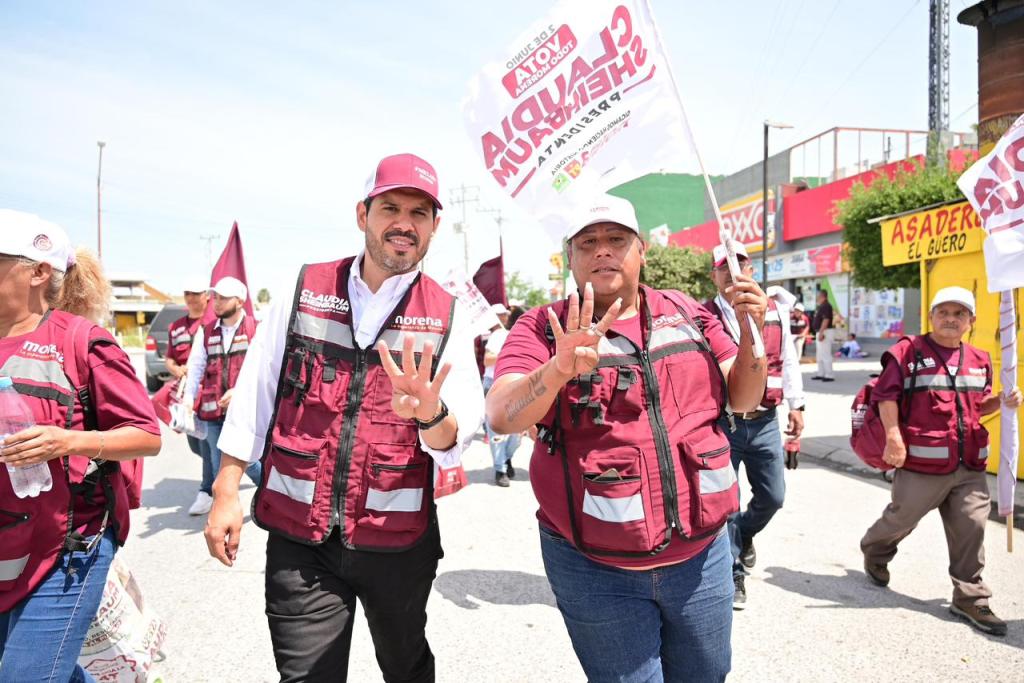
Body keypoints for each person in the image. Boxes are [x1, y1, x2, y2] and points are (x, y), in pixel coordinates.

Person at [204, 153, 483, 682]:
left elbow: (453, 439)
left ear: (434, 227)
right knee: (307, 676)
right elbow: (257, 392)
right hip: (299, 535)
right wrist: (225, 491)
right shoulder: (304, 287)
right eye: (391, 208)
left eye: (420, 213)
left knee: (405, 667)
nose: (404, 223)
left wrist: (430, 414)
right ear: (363, 215)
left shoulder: (449, 313)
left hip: (397, 538)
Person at [486, 195, 767, 682]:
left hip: (702, 557)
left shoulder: (690, 313)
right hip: (593, 567)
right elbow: (502, 415)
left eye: (616, 240)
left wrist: (752, 332)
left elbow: (743, 398)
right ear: (569, 258)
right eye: (587, 243)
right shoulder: (542, 326)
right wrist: (556, 370)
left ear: (642, 253)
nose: (602, 252)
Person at [0, 210, 162, 681]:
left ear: (37, 272)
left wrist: (65, 441)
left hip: (66, 552)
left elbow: (147, 436)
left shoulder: (81, 341)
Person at [860, 287, 1022, 637]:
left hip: (968, 468)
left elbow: (976, 407)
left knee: (973, 526)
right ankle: (875, 550)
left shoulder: (980, 359)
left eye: (959, 313)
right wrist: (893, 437)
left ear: (971, 321)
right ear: (930, 316)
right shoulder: (907, 352)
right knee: (900, 519)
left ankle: (970, 596)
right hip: (920, 464)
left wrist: (1003, 403)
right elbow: (886, 397)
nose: (951, 319)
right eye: (943, 312)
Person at [704, 241, 805, 608]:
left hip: (764, 421)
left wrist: (798, 404)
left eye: (739, 266)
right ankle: (734, 572)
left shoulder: (775, 310)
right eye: (723, 268)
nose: (732, 274)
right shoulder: (703, 315)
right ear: (714, 275)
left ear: (751, 271)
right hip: (723, 423)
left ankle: (744, 535)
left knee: (773, 497)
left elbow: (789, 359)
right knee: (726, 503)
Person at [182, 276, 262, 515]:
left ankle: (271, 493)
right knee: (218, 463)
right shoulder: (206, 332)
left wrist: (239, 392)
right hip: (212, 410)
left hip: (245, 411)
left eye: (224, 297)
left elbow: (265, 369)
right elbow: (196, 367)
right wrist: (188, 399)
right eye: (215, 297)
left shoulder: (256, 329)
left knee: (248, 461)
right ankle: (221, 509)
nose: (217, 302)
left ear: (239, 301)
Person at [164, 278, 208, 459]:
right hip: (187, 394)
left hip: (209, 391)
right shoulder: (176, 327)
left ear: (206, 296)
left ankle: (212, 482)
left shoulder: (213, 322)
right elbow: (169, 358)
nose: (191, 298)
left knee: (209, 443)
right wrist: (176, 369)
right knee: (195, 445)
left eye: (196, 293)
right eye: (187, 293)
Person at [483, 302, 521, 487]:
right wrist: (509, 354)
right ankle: (500, 469)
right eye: (501, 315)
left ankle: (506, 458)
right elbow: (487, 359)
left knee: (516, 434)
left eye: (505, 314)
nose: (504, 317)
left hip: (516, 385)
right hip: (494, 385)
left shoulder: (521, 334)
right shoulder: (497, 335)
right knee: (497, 430)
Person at [811, 289, 834, 381]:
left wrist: (821, 332)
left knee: (825, 354)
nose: (817, 298)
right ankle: (821, 373)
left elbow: (826, 320)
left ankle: (829, 375)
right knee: (819, 355)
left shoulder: (826, 306)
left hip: (825, 331)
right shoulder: (822, 306)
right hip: (821, 331)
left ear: (822, 296)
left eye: (818, 296)